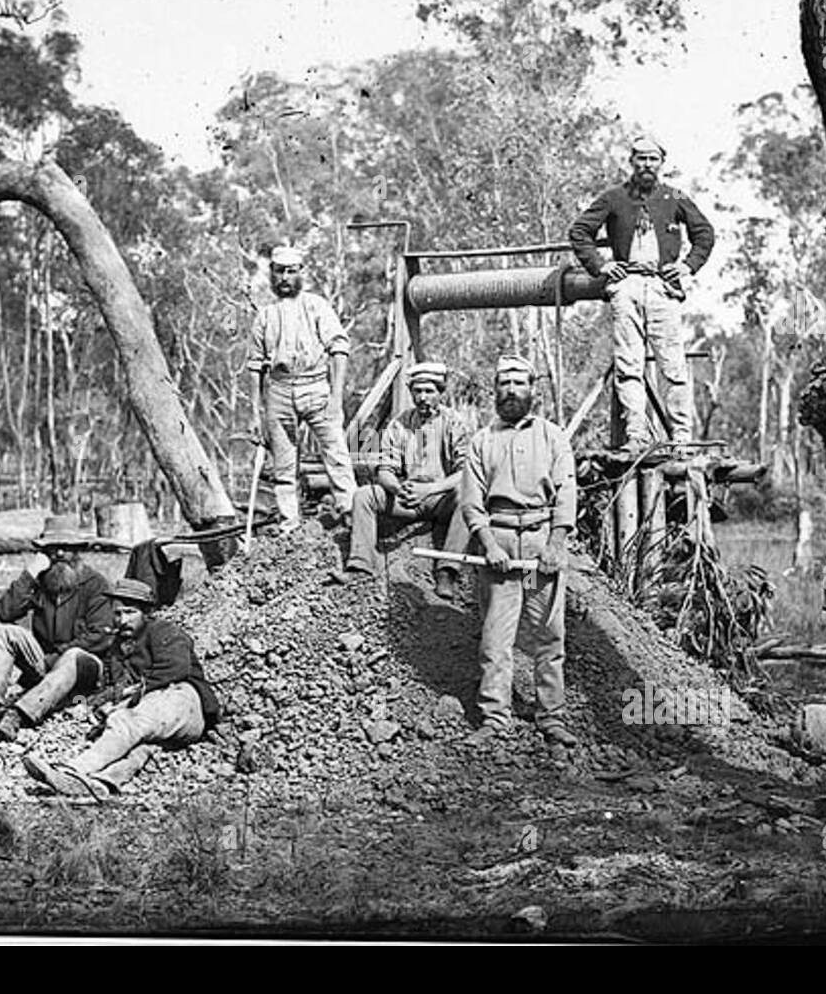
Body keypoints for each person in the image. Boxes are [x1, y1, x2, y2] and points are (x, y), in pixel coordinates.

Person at [568, 135, 715, 456]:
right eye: (641, 159)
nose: (647, 165)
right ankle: (637, 435)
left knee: (673, 365)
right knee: (629, 364)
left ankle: (681, 438)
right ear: (631, 161)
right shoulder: (613, 198)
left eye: (653, 159)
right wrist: (602, 266)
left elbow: (704, 233)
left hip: (663, 287)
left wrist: (687, 267)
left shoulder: (674, 197)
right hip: (627, 285)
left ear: (662, 163)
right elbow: (579, 232)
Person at [461, 356, 579, 749]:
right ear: (494, 391)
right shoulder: (481, 441)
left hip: (538, 549)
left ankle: (552, 717)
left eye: (518, 383)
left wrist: (556, 544)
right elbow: (471, 501)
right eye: (503, 384)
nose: (511, 390)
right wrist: (489, 544)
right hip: (502, 549)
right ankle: (495, 717)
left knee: (547, 634)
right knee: (496, 637)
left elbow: (566, 492)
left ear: (533, 389)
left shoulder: (552, 436)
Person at [21, 579, 220, 799]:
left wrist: (129, 697)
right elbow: (114, 687)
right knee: (141, 748)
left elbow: (175, 670)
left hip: (184, 701)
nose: (122, 620)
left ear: (146, 612)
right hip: (160, 718)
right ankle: (101, 783)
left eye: (130, 612)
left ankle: (73, 770)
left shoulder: (163, 630)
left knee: (128, 720)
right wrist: (94, 704)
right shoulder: (118, 646)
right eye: (118, 613)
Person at [0, 515, 114, 745]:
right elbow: (6, 612)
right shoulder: (42, 581)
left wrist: (58, 656)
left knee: (73, 655)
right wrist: (30, 574)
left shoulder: (95, 584)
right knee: (0, 630)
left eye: (67, 548)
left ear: (78, 550)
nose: (60, 554)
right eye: (53, 548)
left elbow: (100, 636)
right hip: (46, 664)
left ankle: (18, 715)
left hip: (84, 670)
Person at [330, 361, 470, 599]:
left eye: (430, 391)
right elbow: (385, 468)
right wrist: (397, 487)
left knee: (467, 497)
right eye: (418, 391)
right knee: (363, 495)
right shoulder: (399, 423)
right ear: (411, 392)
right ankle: (361, 565)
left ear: (440, 392)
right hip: (408, 497)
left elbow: (465, 471)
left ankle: (447, 571)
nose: (423, 397)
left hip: (442, 497)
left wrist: (431, 490)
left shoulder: (453, 422)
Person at [247, 244, 357, 531]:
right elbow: (255, 366)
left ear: (301, 273)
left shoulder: (317, 305)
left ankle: (351, 514)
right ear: (271, 274)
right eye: (279, 272)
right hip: (279, 391)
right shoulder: (265, 316)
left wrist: (335, 398)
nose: (285, 277)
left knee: (336, 453)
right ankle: (289, 525)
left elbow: (340, 348)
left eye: (291, 271)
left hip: (316, 385)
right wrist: (255, 414)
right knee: (284, 466)